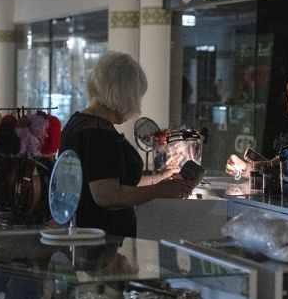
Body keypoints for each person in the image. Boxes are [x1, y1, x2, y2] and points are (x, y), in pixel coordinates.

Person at [59, 52, 195, 237]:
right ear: (125, 94)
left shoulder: (80, 123)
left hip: (86, 233)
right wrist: (159, 190)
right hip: (101, 239)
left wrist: (158, 178)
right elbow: (108, 195)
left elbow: (115, 179)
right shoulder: (100, 133)